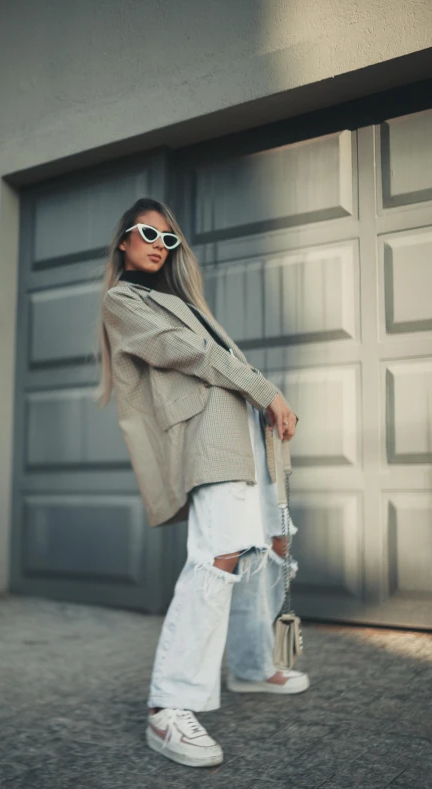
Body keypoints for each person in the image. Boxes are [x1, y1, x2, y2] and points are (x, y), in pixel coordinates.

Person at [96, 197, 309, 769]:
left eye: (168, 240)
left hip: (248, 434)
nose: (157, 245)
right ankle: (168, 707)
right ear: (123, 240)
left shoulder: (185, 299)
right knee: (218, 556)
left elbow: (214, 356)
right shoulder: (124, 300)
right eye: (146, 233)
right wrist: (266, 388)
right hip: (210, 438)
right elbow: (185, 352)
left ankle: (250, 664)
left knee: (267, 546)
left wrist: (262, 402)